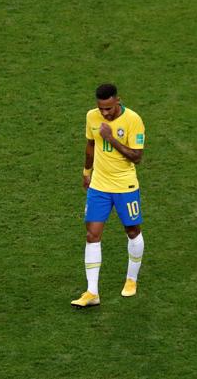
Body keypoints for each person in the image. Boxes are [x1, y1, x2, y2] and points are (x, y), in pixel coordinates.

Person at [71, 83, 146, 307]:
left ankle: (131, 279)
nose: (104, 113)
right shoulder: (91, 117)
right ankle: (92, 292)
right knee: (92, 234)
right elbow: (90, 145)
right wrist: (86, 172)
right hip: (99, 186)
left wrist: (111, 138)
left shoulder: (133, 120)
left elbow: (137, 157)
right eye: (101, 108)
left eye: (109, 109)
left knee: (132, 231)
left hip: (125, 186)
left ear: (118, 101)